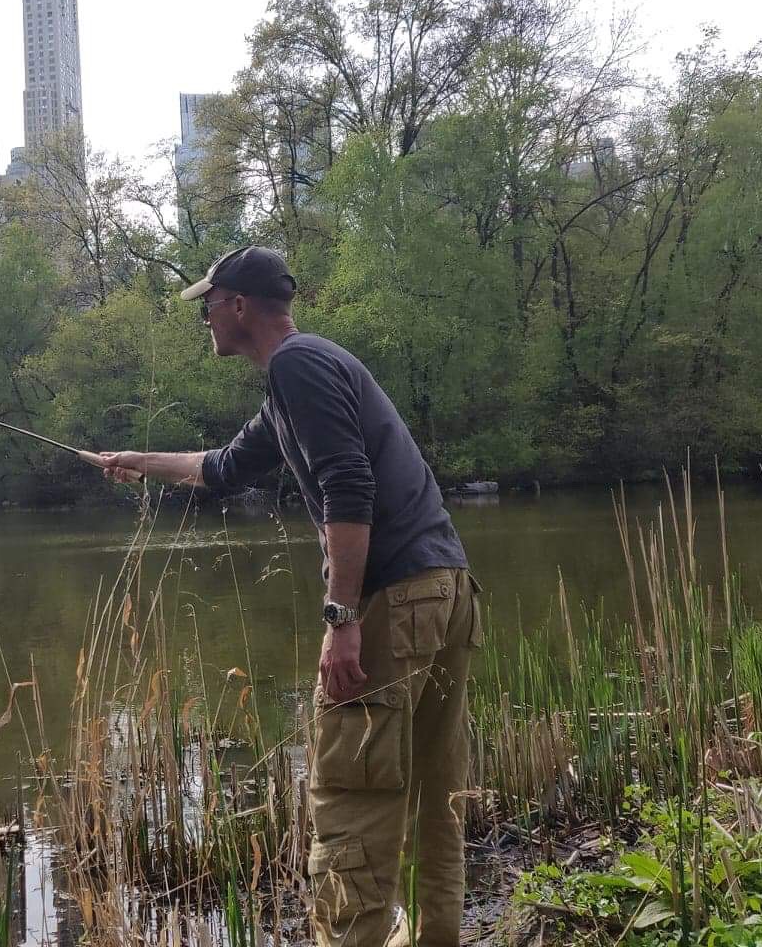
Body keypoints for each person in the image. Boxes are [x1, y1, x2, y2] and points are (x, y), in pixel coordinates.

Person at [99, 245, 481, 947]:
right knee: (433, 794)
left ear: (238, 306)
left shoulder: (299, 369)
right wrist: (136, 462)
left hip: (395, 598)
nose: (204, 320)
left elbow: (348, 484)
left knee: (351, 801)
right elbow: (221, 468)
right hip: (447, 588)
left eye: (208, 305)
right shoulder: (300, 379)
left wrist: (341, 619)